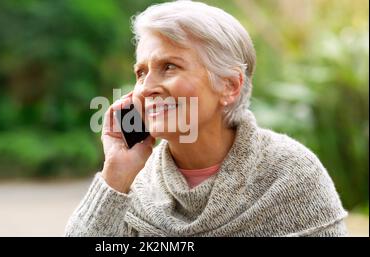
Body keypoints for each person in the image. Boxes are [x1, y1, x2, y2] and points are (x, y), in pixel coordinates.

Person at [65, 0, 347, 236]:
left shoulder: (292, 176)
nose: (147, 87)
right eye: (141, 72)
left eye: (169, 66)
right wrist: (116, 174)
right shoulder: (134, 185)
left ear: (230, 85)